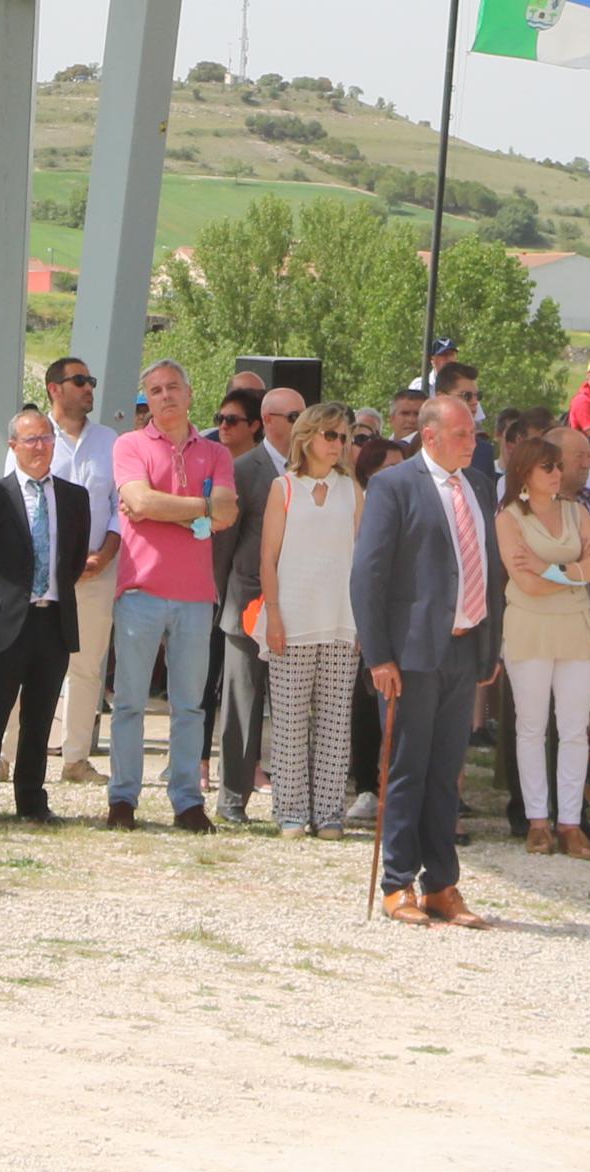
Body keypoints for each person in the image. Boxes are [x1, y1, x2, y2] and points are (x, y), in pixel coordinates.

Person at [351, 381, 501, 926]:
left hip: (463, 650)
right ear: (430, 435)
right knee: (407, 768)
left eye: (474, 433)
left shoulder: (480, 486)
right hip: (410, 654)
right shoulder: (395, 486)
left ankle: (442, 884)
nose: (471, 441)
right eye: (462, 434)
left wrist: (491, 645)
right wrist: (379, 655)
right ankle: (398, 884)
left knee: (446, 773)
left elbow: (492, 569)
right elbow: (369, 575)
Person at [104, 357, 235, 834]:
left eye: (173, 387)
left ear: (189, 393)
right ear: (148, 401)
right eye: (155, 390)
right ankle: (123, 797)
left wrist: (168, 511)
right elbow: (137, 501)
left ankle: (186, 800)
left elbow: (227, 513)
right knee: (130, 702)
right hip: (141, 590)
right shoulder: (130, 445)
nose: (165, 397)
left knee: (190, 705)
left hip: (196, 595)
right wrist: (199, 512)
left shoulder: (215, 453)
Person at [0, 407, 89, 823]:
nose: (40, 447)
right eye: (31, 440)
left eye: (47, 438)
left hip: (53, 622)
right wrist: (1, 600)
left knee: (40, 717)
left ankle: (31, 799)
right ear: (13, 446)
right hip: (6, 623)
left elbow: (76, 560)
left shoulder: (73, 497)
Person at [492, 430, 590, 857]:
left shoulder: (577, 513)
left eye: (559, 466)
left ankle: (570, 823)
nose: (558, 473)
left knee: (575, 729)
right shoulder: (508, 518)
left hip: (575, 626)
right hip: (529, 626)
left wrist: (551, 569)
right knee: (531, 727)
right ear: (525, 471)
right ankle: (538, 821)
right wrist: (573, 572)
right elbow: (524, 582)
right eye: (549, 466)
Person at [254, 403, 364, 839]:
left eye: (344, 437)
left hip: (341, 619)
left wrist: (362, 622)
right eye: (330, 435)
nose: (338, 444)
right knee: (289, 721)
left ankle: (330, 812)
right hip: (293, 619)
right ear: (308, 436)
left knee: (336, 722)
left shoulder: (353, 490)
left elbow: (362, 559)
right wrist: (275, 614)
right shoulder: (284, 488)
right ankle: (291, 810)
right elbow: (268, 557)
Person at [37, 359, 123, 788]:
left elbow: (120, 507)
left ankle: (75, 759)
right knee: (25, 664)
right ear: (55, 388)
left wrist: (105, 554)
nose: (89, 388)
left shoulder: (110, 441)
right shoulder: (32, 437)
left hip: (95, 569)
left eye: (91, 380)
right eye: (79, 381)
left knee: (86, 666)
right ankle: (6, 755)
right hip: (41, 570)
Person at [207, 386, 278, 821]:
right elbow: (224, 546)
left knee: (292, 710)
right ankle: (232, 800)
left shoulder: (319, 471)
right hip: (246, 603)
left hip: (301, 605)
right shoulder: (243, 470)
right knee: (241, 704)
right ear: (268, 421)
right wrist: (224, 600)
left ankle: (293, 801)